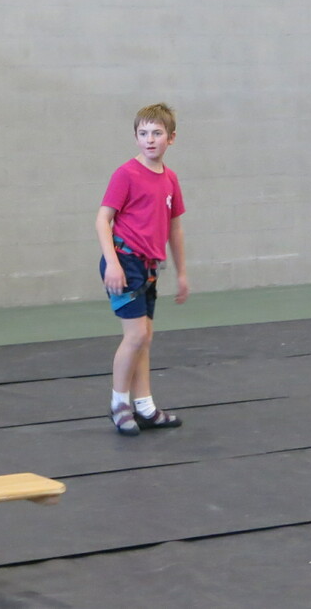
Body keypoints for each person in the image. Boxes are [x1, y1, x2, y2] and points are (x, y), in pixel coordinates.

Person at [96, 103, 189, 435]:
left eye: (157, 133)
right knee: (135, 336)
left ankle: (145, 406)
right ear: (136, 137)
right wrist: (113, 263)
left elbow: (174, 228)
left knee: (145, 338)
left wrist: (181, 272)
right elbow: (103, 220)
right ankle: (119, 405)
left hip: (148, 267)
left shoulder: (170, 179)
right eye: (143, 133)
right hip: (125, 263)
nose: (150, 140)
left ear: (171, 138)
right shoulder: (126, 175)